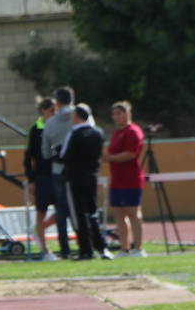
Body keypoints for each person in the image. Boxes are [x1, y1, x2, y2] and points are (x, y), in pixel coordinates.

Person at [61, 103, 110, 260]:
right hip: (92, 175)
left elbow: (65, 156)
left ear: (76, 117)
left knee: (79, 214)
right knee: (93, 212)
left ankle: (86, 250)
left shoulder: (74, 133)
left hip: (75, 177)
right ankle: (102, 247)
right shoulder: (98, 133)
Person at [24, 97, 68, 260]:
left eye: (56, 110)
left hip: (59, 174)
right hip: (42, 176)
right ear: (43, 111)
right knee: (41, 210)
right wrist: (31, 179)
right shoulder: (35, 129)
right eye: (51, 110)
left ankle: (40, 229)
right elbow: (28, 157)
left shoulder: (59, 127)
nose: (54, 113)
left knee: (63, 210)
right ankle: (45, 250)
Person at [104, 101, 147, 257]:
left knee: (133, 212)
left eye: (119, 113)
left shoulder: (133, 131)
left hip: (131, 179)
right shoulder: (116, 133)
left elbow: (131, 153)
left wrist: (110, 158)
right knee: (118, 212)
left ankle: (139, 247)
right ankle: (124, 247)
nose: (115, 117)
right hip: (117, 180)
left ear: (127, 114)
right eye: (114, 114)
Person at [41, 87, 77, 244]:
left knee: (61, 209)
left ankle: (64, 245)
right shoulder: (81, 116)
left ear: (57, 102)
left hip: (59, 169)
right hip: (79, 168)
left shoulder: (50, 122)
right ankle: (85, 242)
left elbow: (45, 153)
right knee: (80, 206)